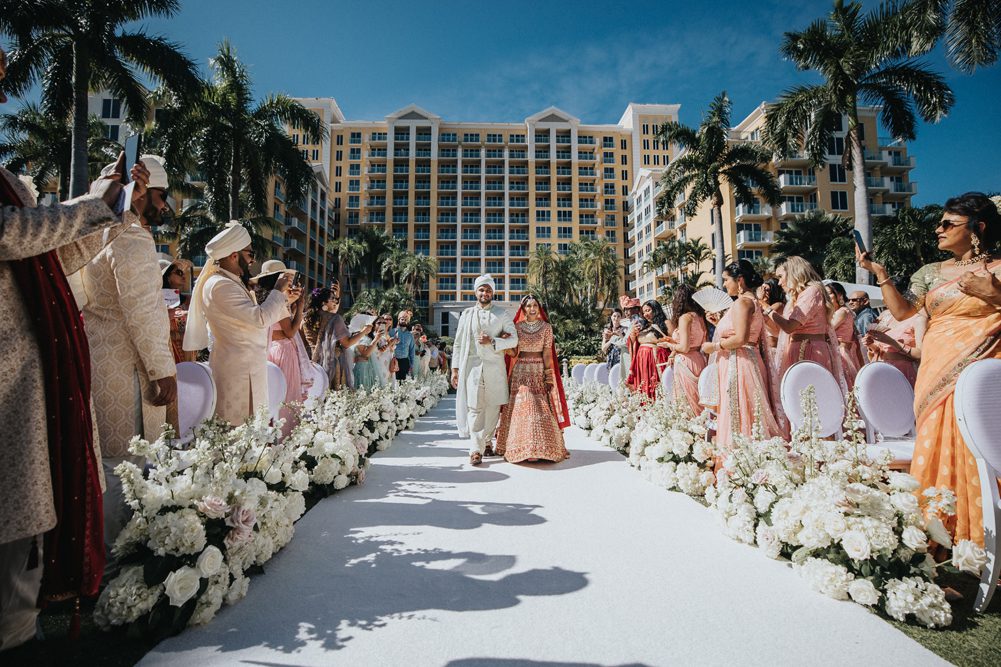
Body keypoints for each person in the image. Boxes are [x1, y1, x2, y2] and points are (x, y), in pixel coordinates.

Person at [1, 42, 149, 643]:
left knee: (19, 538)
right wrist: (91, 203)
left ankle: (18, 630)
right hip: (9, 379)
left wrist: (105, 204)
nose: (6, 75)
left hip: (25, 381)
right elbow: (13, 234)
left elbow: (50, 258)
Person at [857, 192, 1001, 547]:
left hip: (979, 368)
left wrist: (994, 294)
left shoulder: (997, 269)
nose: (938, 230)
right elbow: (906, 313)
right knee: (936, 443)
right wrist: (881, 275)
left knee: (977, 444)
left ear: (978, 228)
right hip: (935, 370)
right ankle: (940, 530)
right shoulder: (931, 273)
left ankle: (982, 533)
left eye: (948, 224)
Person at [78, 154, 178, 567]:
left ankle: (91, 560)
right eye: (160, 195)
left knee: (104, 466)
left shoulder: (99, 232)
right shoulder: (132, 236)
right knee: (127, 468)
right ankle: (114, 564)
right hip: (127, 369)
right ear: (142, 193)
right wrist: (162, 370)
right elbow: (144, 311)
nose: (164, 206)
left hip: (96, 362)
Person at [183, 222, 301, 425]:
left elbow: (255, 321)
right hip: (235, 376)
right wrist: (278, 290)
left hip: (248, 372)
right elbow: (260, 319)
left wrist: (286, 300)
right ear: (234, 255)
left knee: (253, 440)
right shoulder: (220, 285)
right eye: (250, 253)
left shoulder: (231, 282)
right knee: (235, 440)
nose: (253, 259)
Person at [701, 260, 783, 460]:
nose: (724, 285)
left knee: (739, 410)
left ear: (740, 280)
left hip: (739, 362)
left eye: (726, 280)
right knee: (745, 410)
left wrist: (714, 347)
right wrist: (719, 323)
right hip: (743, 359)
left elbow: (741, 338)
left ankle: (740, 458)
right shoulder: (749, 301)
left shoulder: (742, 302)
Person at [451, 274, 519, 465]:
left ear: (493, 292)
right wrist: (454, 369)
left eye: (488, 290)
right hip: (472, 367)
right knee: (474, 407)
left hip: (495, 368)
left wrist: (494, 341)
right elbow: (457, 344)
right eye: (481, 289)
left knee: (493, 407)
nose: (485, 293)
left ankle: (487, 440)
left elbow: (514, 340)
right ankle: (475, 449)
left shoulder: (502, 314)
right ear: (476, 292)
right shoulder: (466, 315)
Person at [495, 294, 570, 463]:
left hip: (538, 370)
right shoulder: (517, 327)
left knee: (539, 407)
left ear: (539, 307)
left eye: (535, 305)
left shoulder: (546, 328)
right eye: (528, 306)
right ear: (523, 309)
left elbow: (547, 354)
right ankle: (521, 447)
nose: (532, 309)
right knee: (523, 406)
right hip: (520, 371)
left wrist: (549, 377)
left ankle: (541, 446)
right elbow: (514, 352)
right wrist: (504, 344)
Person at [765, 256, 847, 396]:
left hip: (809, 348)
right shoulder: (798, 295)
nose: (779, 283)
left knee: (811, 395)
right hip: (798, 347)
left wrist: (766, 308)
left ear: (793, 273)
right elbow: (782, 331)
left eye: (780, 276)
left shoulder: (812, 291)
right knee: (798, 395)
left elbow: (790, 326)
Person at [257, 261, 310, 437]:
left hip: (269, 349)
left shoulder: (262, 299)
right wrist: (300, 306)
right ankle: (286, 435)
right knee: (286, 394)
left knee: (271, 394)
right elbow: (290, 331)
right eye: (288, 279)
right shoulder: (278, 302)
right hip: (283, 351)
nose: (290, 284)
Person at [663, 285, 708, 415]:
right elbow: (701, 342)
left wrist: (670, 346)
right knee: (699, 398)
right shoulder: (699, 316)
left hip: (686, 361)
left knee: (688, 402)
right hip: (699, 359)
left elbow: (684, 347)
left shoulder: (685, 318)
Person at [627, 300, 671, 399]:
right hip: (641, 362)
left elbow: (674, 340)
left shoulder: (666, 323)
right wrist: (633, 334)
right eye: (644, 312)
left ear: (656, 309)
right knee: (643, 385)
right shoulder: (644, 326)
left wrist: (665, 342)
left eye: (648, 310)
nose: (646, 314)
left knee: (656, 386)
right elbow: (634, 343)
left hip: (655, 360)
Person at [827, 281, 865, 389]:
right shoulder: (837, 312)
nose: (826, 297)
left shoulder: (842, 312)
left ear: (839, 295)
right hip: (838, 351)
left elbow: (827, 330)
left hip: (840, 353)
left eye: (829, 293)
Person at [161, 257, 195, 364]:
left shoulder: (189, 300)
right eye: (179, 272)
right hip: (166, 357)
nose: (184, 275)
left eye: (183, 272)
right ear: (167, 276)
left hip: (188, 357)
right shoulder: (155, 301)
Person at [349, 314, 381, 390]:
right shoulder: (359, 337)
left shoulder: (367, 337)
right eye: (369, 324)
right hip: (363, 368)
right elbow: (365, 354)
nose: (372, 326)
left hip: (369, 367)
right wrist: (376, 339)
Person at [756, 278, 785, 349]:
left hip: (774, 350)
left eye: (767, 290)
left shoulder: (779, 305)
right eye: (762, 289)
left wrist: (759, 298)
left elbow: (762, 316)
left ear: (774, 291)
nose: (763, 292)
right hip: (763, 350)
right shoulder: (760, 305)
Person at [389, 310, 416, 380]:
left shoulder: (410, 335)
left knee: (404, 383)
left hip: (405, 362)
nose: (404, 320)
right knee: (393, 382)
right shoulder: (392, 332)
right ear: (399, 319)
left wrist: (412, 364)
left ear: (408, 321)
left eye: (406, 319)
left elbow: (412, 350)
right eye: (402, 319)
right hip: (393, 360)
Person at [601, 309, 629, 373]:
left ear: (621, 318)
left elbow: (626, 344)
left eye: (618, 316)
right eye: (614, 316)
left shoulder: (625, 329)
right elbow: (603, 349)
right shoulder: (607, 331)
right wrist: (611, 340)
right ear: (611, 317)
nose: (616, 318)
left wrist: (620, 335)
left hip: (621, 358)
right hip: (610, 358)